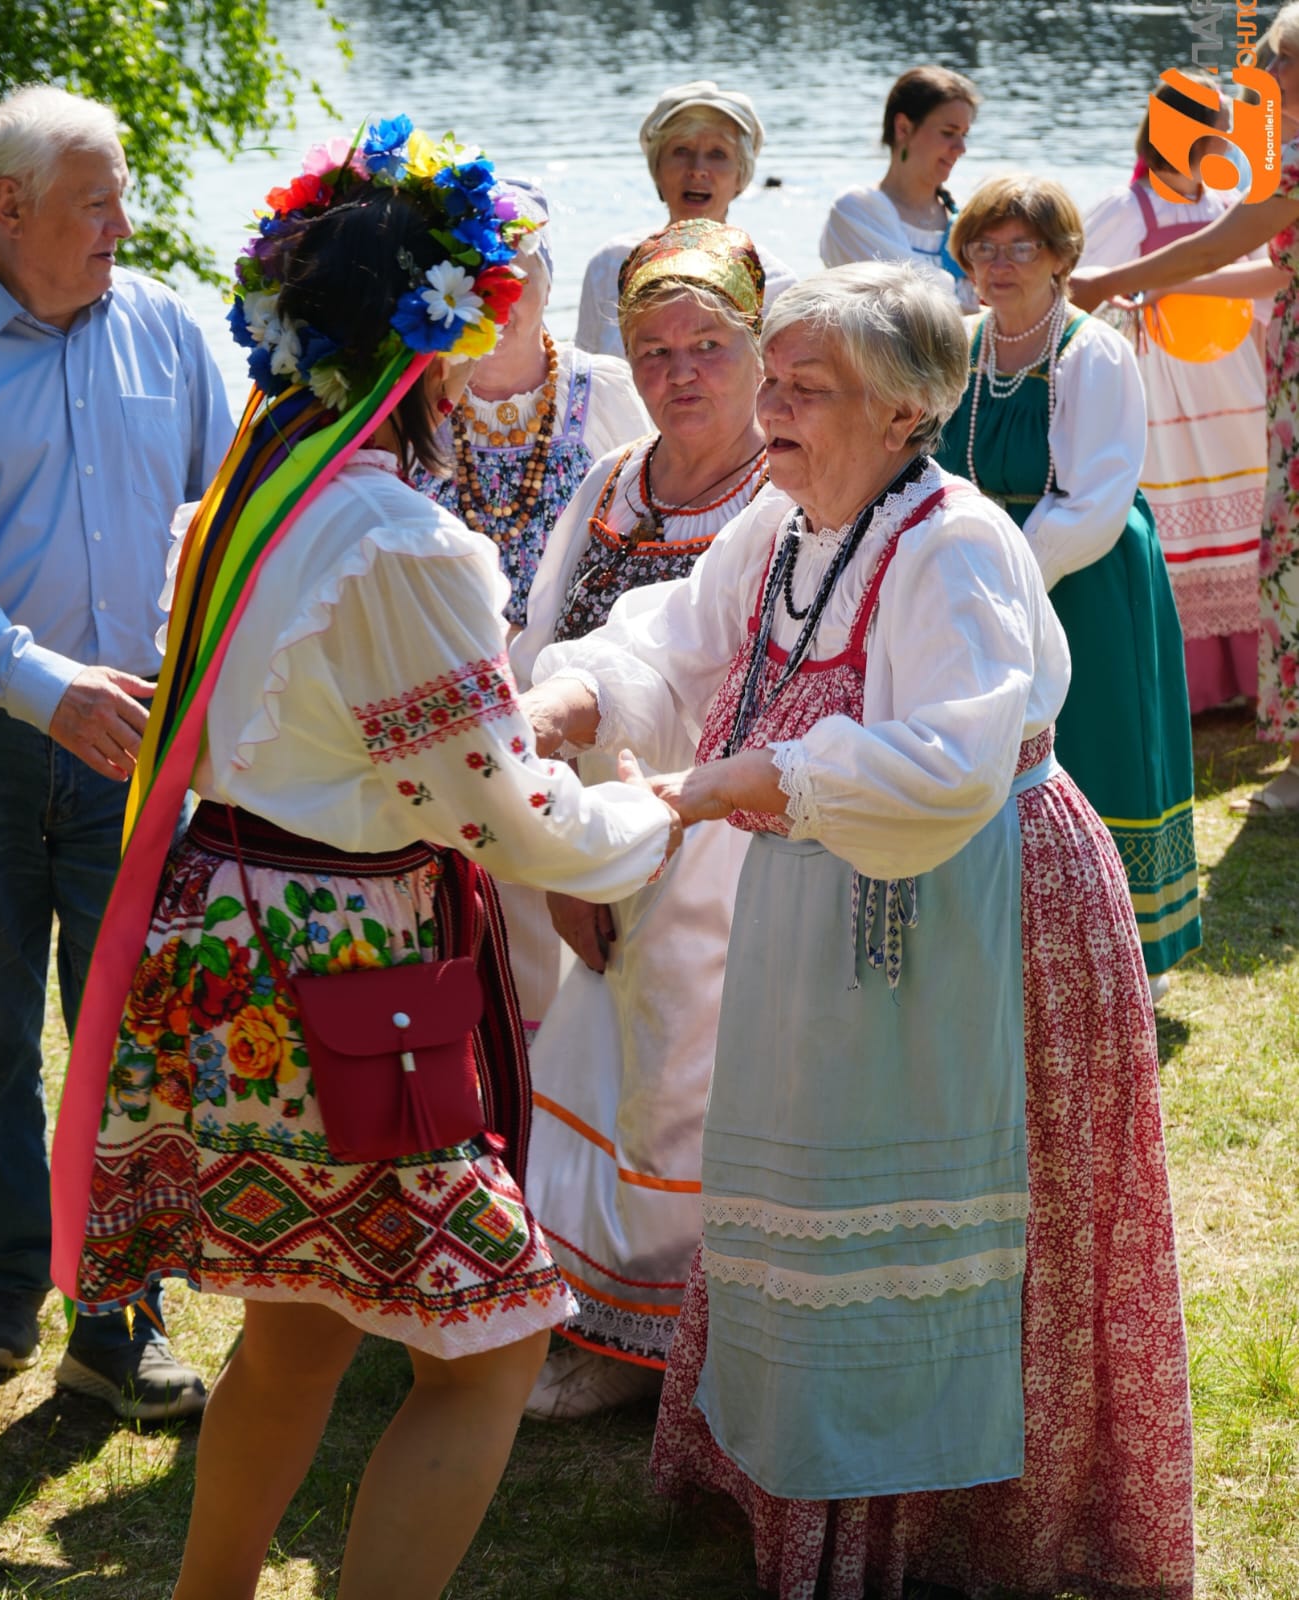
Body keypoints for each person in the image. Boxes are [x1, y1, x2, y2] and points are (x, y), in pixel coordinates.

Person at [47, 118, 681, 1600]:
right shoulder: (397, 539)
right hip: (338, 973)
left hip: (240, 944)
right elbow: (499, 816)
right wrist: (658, 813)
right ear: (434, 335)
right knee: (493, 1346)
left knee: (300, 1322)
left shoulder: (256, 499)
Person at [523, 261, 1194, 1600]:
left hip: (962, 911)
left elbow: (948, 761)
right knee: (801, 1179)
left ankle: (951, 1522)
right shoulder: (783, 523)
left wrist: (727, 784)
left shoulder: (950, 542)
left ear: (900, 411)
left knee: (932, 1209)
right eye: (766, 378)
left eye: (799, 386)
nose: (764, 406)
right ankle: (801, 1484)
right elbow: (675, 646)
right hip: (823, 898)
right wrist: (571, 705)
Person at [0, 85, 232, 1416]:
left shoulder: (167, 322)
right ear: (8, 211)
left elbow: (224, 506)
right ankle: (4, 1295)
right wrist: (41, 685)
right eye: (96, 200)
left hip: (139, 749)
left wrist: (218, 693)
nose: (125, 221)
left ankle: (117, 1321)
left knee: (125, 1038)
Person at [511, 218, 773, 1419]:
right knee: (596, 1059)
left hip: (734, 838)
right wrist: (560, 832)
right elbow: (550, 641)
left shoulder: (788, 487)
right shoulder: (615, 482)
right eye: (654, 347)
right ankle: (610, 1320)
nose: (680, 373)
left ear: (760, 349)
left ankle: (692, 1333)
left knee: (692, 1079)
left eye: (709, 344)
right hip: (608, 828)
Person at [935, 174, 1202, 994]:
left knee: (1095, 742)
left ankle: (1124, 957)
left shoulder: (1092, 350)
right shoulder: (960, 344)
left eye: (1021, 247)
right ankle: (1009, 946)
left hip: (1082, 573)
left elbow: (1093, 496)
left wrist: (1008, 575)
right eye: (983, 246)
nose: (998, 263)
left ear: (1060, 258)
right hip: (975, 576)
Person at [412, 178, 649, 1038]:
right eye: (477, 281)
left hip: (585, 704)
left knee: (596, 958)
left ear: (547, 282)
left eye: (517, 275)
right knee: (487, 955)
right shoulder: (418, 409)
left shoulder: (611, 392)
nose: (499, 299)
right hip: (454, 715)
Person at [1071, 5, 1299, 812]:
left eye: (1275, 64)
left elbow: (1234, 249)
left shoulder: (1280, 172)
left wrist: (1109, 284)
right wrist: (1149, 286)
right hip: (1217, 382)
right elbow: (1266, 269)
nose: (1264, 81)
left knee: (1281, 542)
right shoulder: (1132, 205)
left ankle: (1284, 736)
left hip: (1264, 384)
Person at [1081, 71, 1270, 712]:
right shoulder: (1127, 208)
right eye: (1217, 123)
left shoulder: (1228, 208)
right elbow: (1085, 294)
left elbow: (1266, 293)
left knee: (1244, 516)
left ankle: (1251, 681)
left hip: (1233, 390)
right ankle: (1184, 691)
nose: (1228, 136)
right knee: (1176, 529)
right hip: (1162, 397)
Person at [575, 79, 795, 357]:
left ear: (741, 177)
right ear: (656, 169)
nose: (697, 169)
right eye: (681, 151)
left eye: (718, 154)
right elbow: (585, 384)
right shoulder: (609, 265)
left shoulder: (775, 284)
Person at [819, 65, 979, 310]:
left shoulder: (966, 218)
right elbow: (912, 301)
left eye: (964, 135)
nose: (961, 148)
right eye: (948, 133)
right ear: (903, 127)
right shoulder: (854, 211)